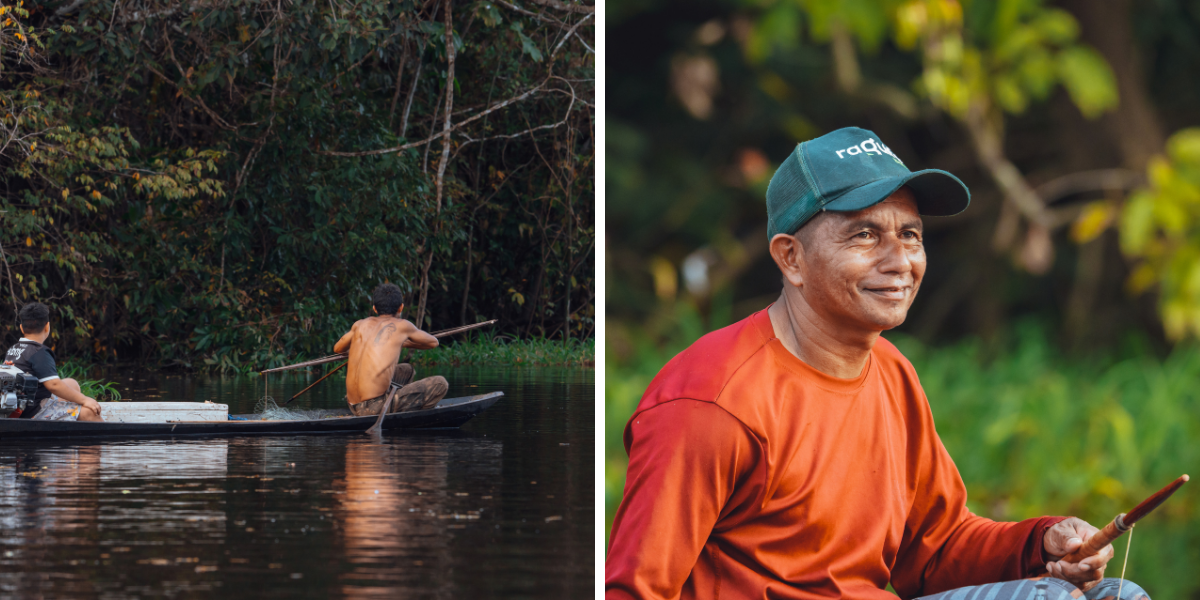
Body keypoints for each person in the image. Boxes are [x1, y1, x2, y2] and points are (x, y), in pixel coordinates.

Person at [605, 127, 1149, 600]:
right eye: (864, 235)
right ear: (791, 257)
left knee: (1117, 594)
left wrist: (1042, 542)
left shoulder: (891, 371)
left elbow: (935, 553)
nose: (899, 261)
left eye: (910, 235)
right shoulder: (710, 402)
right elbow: (633, 589)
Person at [334, 283, 448, 416]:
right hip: (374, 408)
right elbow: (433, 342)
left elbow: (338, 348)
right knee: (440, 383)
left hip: (353, 405)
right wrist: (405, 342)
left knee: (406, 370)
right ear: (401, 307)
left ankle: (392, 404)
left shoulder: (359, 324)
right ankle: (410, 415)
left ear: (374, 308)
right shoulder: (402, 325)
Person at [4, 302, 103, 421]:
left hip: (20, 407)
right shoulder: (39, 352)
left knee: (71, 383)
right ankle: (109, 434)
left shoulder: (14, 349)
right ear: (47, 326)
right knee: (90, 412)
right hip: (33, 412)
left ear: (21, 328)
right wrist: (85, 400)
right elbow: (54, 385)